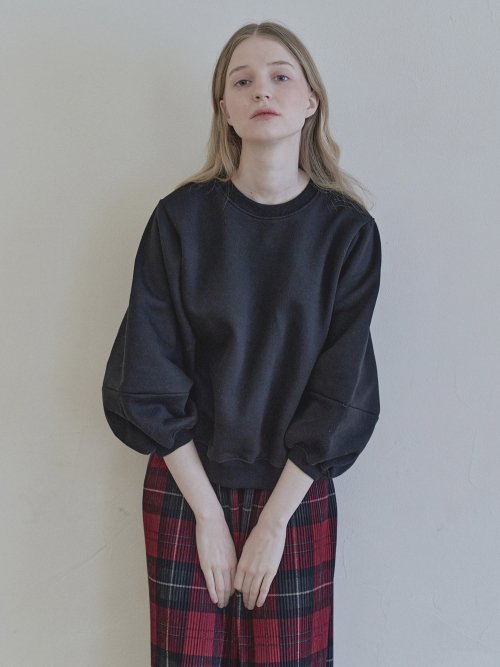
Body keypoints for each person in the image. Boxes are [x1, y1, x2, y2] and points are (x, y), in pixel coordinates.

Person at [102, 20, 382, 666]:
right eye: (243, 80)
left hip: (295, 491)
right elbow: (147, 372)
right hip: (186, 485)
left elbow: (341, 390)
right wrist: (207, 514)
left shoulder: (347, 233)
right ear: (224, 108)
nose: (262, 90)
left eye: (281, 76)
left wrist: (274, 522)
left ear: (310, 100)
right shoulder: (180, 220)